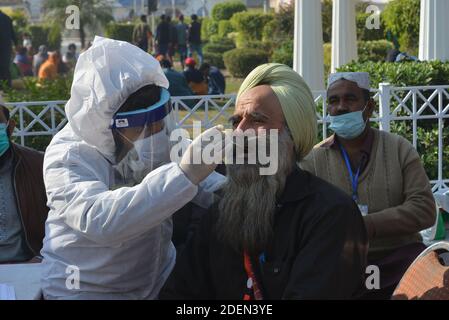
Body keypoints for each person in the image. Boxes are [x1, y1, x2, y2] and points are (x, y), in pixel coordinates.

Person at [160, 63, 368, 300]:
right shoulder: (219, 214)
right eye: (236, 121)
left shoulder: (331, 214)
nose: (240, 133)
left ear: (291, 135)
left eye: (257, 120)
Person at [40, 36, 225, 299]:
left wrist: (231, 191)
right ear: (109, 125)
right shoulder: (69, 156)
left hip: (157, 279)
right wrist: (184, 175)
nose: (156, 133)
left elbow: (197, 172)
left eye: (159, 121)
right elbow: (101, 220)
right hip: (88, 289)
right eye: (144, 126)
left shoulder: (157, 130)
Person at [300, 72, 436, 299]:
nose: (341, 107)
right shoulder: (312, 161)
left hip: (399, 261)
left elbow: (424, 209)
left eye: (350, 99)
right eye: (333, 101)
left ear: (369, 107)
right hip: (338, 266)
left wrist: (365, 226)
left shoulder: (398, 149)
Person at [0, 95, 49, 264]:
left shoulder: (38, 166)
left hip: (28, 267)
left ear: (10, 127)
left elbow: (63, 224)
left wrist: (42, 257)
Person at [0, 10, 17, 88]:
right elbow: (13, 33)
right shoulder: (7, 18)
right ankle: (7, 87)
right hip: (6, 47)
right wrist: (16, 44)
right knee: (5, 67)